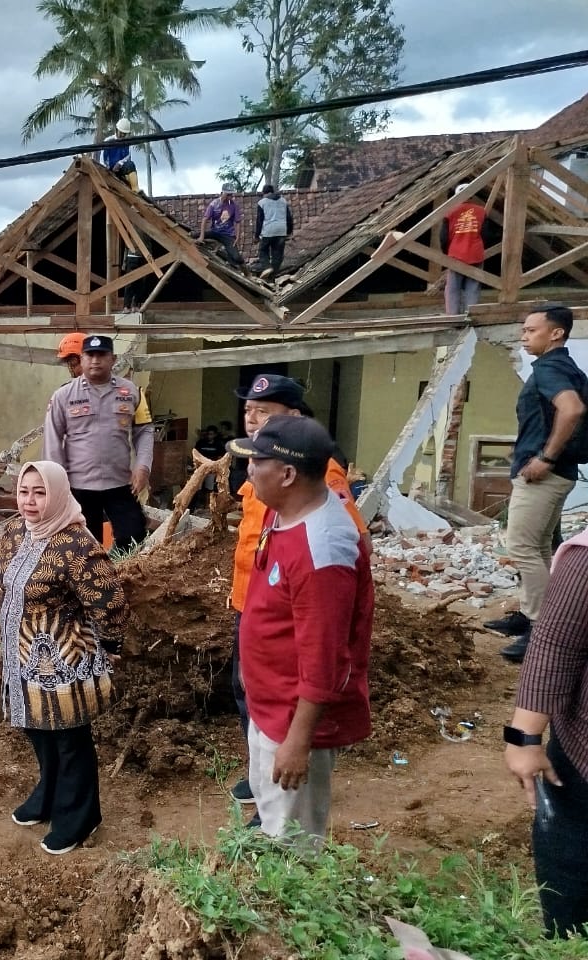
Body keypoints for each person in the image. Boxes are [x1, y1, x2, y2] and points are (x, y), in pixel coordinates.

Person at [0, 461, 127, 854]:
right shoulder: (18, 532)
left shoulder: (76, 544)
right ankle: (49, 795)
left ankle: (80, 817)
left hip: (63, 660)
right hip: (22, 657)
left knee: (69, 739)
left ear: (56, 495)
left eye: (40, 493)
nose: (30, 501)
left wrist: (112, 645)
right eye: (24, 492)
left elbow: (110, 600)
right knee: (39, 730)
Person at [225, 374, 368, 813]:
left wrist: (298, 741)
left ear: (288, 474)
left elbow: (324, 658)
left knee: (291, 840)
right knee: (273, 819)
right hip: (269, 700)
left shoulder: (322, 550)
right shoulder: (283, 509)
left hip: (290, 715)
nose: (249, 471)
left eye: (257, 462)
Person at [504, 525, 588, 938]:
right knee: (572, 873)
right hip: (582, 756)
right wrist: (524, 738)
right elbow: (556, 644)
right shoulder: (585, 560)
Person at [489, 305, 586, 664]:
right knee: (541, 547)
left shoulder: (550, 367)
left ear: (556, 333)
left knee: (521, 546)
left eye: (531, 330)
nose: (524, 336)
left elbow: (571, 409)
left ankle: (543, 629)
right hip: (558, 473)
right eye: (524, 330)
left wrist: (546, 456)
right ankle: (534, 616)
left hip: (545, 474)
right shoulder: (564, 366)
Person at [43, 334, 153, 550]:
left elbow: (145, 431)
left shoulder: (132, 392)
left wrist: (143, 467)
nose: (95, 360)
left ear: (113, 359)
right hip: (78, 487)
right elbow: (52, 441)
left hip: (120, 484)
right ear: (82, 359)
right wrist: (57, 485)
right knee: (84, 546)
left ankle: (119, 569)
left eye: (101, 355)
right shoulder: (63, 396)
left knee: (134, 538)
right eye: (90, 355)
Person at [440, 184, 488, 315]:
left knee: (453, 288)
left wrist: (446, 253)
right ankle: (470, 316)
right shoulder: (481, 211)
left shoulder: (450, 212)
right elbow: (485, 235)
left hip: (456, 254)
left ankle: (453, 316)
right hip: (475, 254)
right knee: (473, 287)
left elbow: (443, 237)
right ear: (471, 195)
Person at [197, 183, 244, 266]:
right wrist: (201, 236)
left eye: (231, 194)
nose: (230, 196)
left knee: (237, 258)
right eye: (228, 194)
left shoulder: (234, 205)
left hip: (228, 235)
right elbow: (205, 219)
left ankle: (229, 259)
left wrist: (237, 237)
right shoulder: (214, 204)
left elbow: (238, 222)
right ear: (222, 193)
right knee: (194, 235)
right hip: (215, 232)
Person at [254, 184, 293, 280]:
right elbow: (289, 217)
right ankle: (271, 278)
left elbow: (259, 221)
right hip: (281, 231)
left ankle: (267, 267)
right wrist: (289, 231)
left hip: (268, 231)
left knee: (263, 251)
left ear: (264, 193)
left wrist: (256, 236)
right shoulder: (283, 201)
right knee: (278, 255)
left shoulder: (262, 202)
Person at [97, 118, 140, 193]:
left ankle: (136, 190)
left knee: (131, 165)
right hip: (109, 170)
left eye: (124, 133)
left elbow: (127, 157)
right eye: (121, 132)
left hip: (120, 169)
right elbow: (102, 159)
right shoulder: (108, 141)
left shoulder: (126, 143)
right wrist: (107, 169)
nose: (122, 135)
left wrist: (119, 164)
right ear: (116, 130)